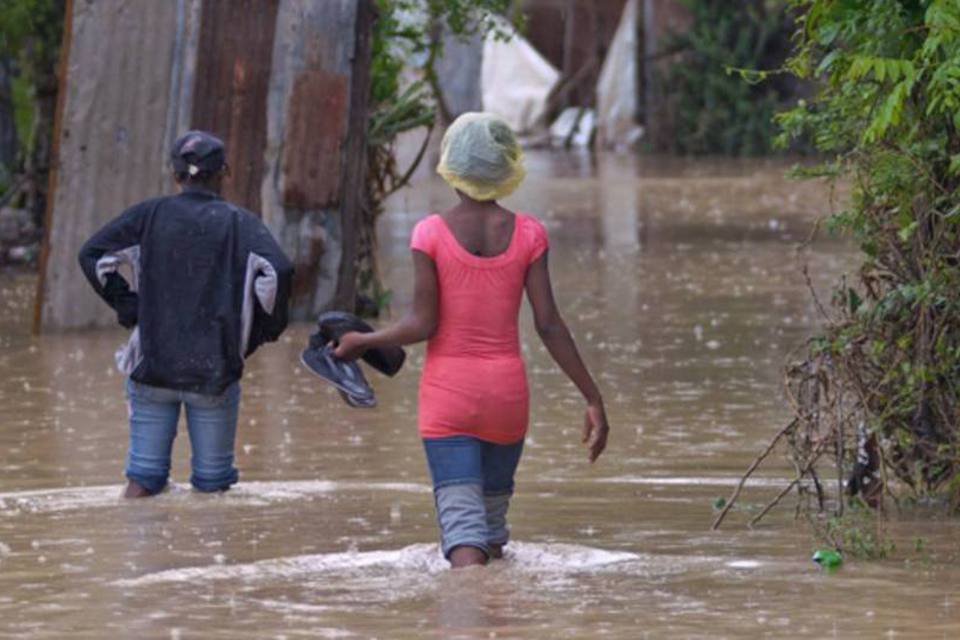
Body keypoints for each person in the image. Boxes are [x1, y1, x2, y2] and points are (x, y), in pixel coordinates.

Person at [334, 112, 610, 568]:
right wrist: (593, 397)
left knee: (464, 536)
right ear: (505, 170)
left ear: (453, 169)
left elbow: (422, 324)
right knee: (492, 533)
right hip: (507, 400)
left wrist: (363, 341)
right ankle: (498, 620)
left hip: (450, 400)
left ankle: (467, 621)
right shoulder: (529, 234)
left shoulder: (431, 235)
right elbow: (549, 324)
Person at [78, 130, 294, 498]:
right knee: (213, 487)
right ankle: (212, 553)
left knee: (143, 481)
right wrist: (260, 331)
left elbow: (93, 254)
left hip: (153, 367)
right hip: (214, 372)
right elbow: (279, 271)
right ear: (223, 172)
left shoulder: (149, 215)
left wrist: (129, 306)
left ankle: (139, 548)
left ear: (176, 174)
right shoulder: (240, 224)